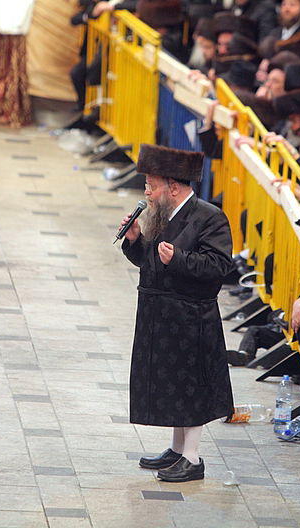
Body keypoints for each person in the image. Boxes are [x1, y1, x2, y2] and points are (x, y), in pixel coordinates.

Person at [121, 144, 234, 483]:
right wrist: (135, 240)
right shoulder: (160, 216)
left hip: (191, 316)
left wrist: (180, 260)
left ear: (173, 186)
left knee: (190, 385)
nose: (147, 192)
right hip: (159, 314)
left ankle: (193, 458)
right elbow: (149, 263)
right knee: (171, 383)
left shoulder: (210, 216)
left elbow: (220, 266)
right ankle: (176, 448)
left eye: (151, 185)